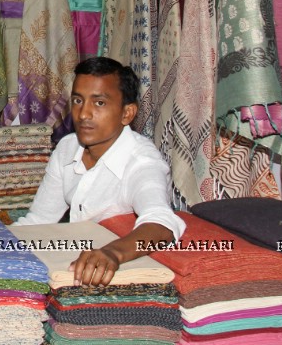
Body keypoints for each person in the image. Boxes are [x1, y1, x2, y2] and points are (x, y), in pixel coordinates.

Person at [14, 56, 186, 286]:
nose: (84, 114)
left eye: (99, 103)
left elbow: (162, 224)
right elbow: (40, 221)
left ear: (127, 113)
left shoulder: (142, 162)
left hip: (119, 273)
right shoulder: (67, 148)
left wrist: (112, 254)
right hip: (74, 261)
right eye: (77, 100)